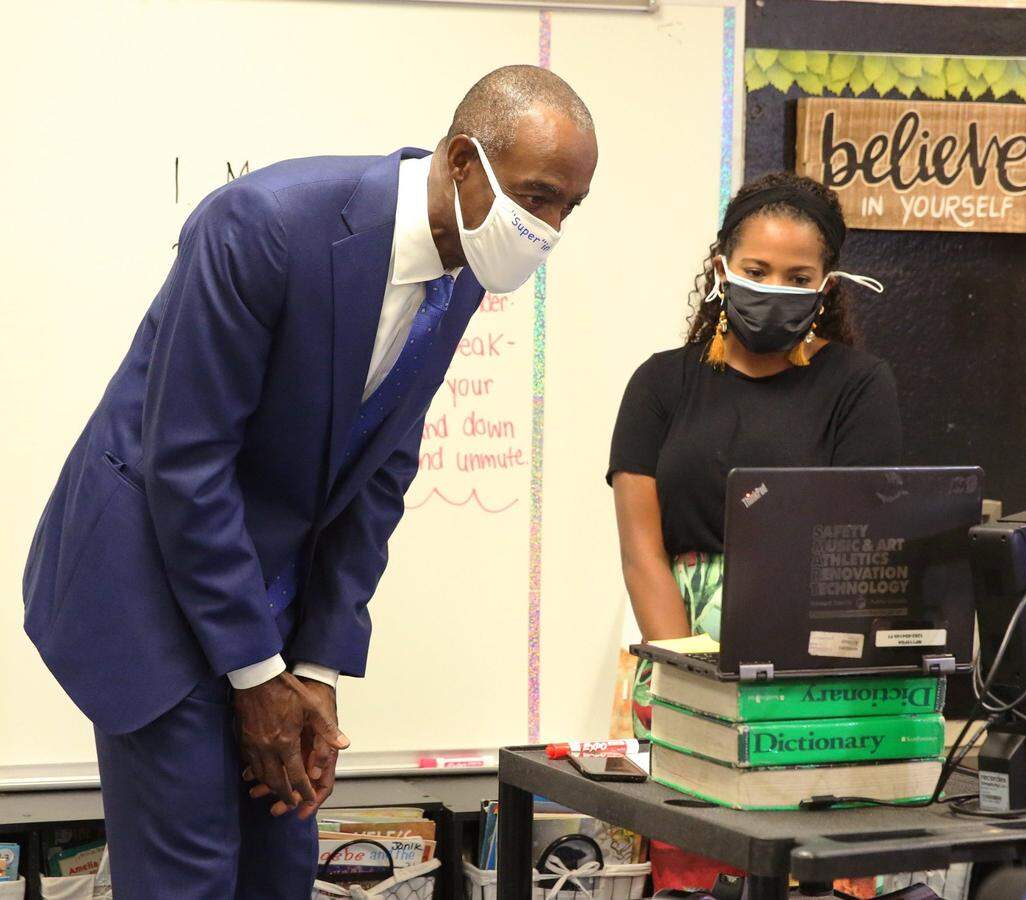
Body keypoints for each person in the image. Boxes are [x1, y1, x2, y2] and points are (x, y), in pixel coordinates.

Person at [23, 65, 597, 899]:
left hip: (265, 597)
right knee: (189, 877)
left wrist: (317, 671)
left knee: (280, 868)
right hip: (147, 580)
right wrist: (258, 679)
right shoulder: (261, 225)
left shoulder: (465, 265)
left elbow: (380, 472)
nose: (547, 229)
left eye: (567, 209)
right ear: (464, 163)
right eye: (538, 197)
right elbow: (186, 463)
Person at [607, 172, 901, 738]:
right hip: (676, 649)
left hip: (808, 663)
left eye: (798, 277)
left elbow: (856, 545)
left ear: (827, 286)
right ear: (722, 270)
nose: (774, 288)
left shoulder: (860, 386)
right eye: (756, 272)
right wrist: (689, 679)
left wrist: (783, 682)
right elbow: (641, 553)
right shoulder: (659, 383)